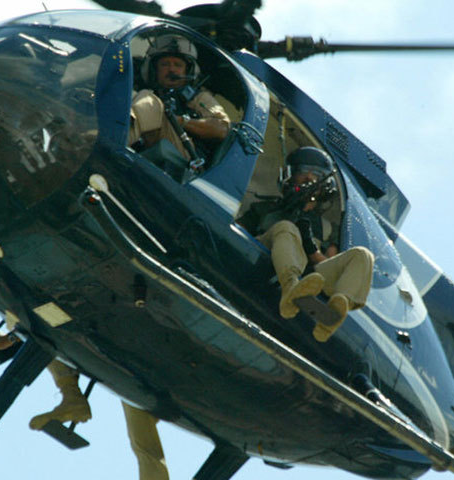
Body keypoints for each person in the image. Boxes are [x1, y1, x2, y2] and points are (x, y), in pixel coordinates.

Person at [0, 329, 170, 480]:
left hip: (142, 354)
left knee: (43, 327)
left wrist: (8, 339)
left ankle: (72, 397)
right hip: (138, 368)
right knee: (146, 449)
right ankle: (72, 399)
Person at [245, 147, 375, 342]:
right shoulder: (263, 209)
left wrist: (311, 248)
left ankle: (338, 306)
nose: (309, 179)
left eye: (317, 175)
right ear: (290, 175)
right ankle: (290, 288)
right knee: (286, 227)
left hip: (311, 279)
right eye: (303, 172)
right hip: (264, 258)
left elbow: (330, 263)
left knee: (363, 255)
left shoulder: (326, 228)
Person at [128, 34, 230, 163]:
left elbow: (222, 129)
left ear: (187, 71)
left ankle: (117, 141)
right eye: (165, 64)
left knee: (148, 99)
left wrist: (180, 121)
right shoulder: (143, 94)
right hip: (151, 151)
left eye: (178, 65)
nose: (171, 69)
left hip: (185, 159)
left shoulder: (199, 97)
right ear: (154, 69)